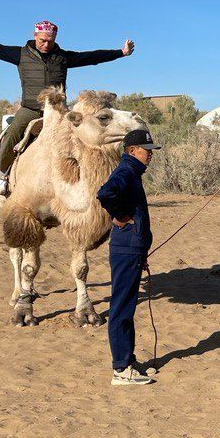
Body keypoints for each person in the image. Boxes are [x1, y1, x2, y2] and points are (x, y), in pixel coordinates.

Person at [0, 16, 135, 193]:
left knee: (85, 135)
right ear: (35, 35)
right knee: (13, 133)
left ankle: (91, 180)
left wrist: (121, 52)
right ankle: (2, 174)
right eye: (42, 40)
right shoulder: (21, 54)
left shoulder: (63, 57)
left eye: (50, 41)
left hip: (59, 111)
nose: (46, 44)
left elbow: (93, 57)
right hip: (31, 109)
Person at [96, 127, 160, 387]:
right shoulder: (126, 171)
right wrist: (122, 217)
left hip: (132, 249)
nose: (150, 155)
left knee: (128, 307)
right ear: (133, 151)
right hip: (126, 248)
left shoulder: (133, 171)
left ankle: (128, 361)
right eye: (147, 150)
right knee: (121, 308)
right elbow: (105, 193)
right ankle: (121, 369)